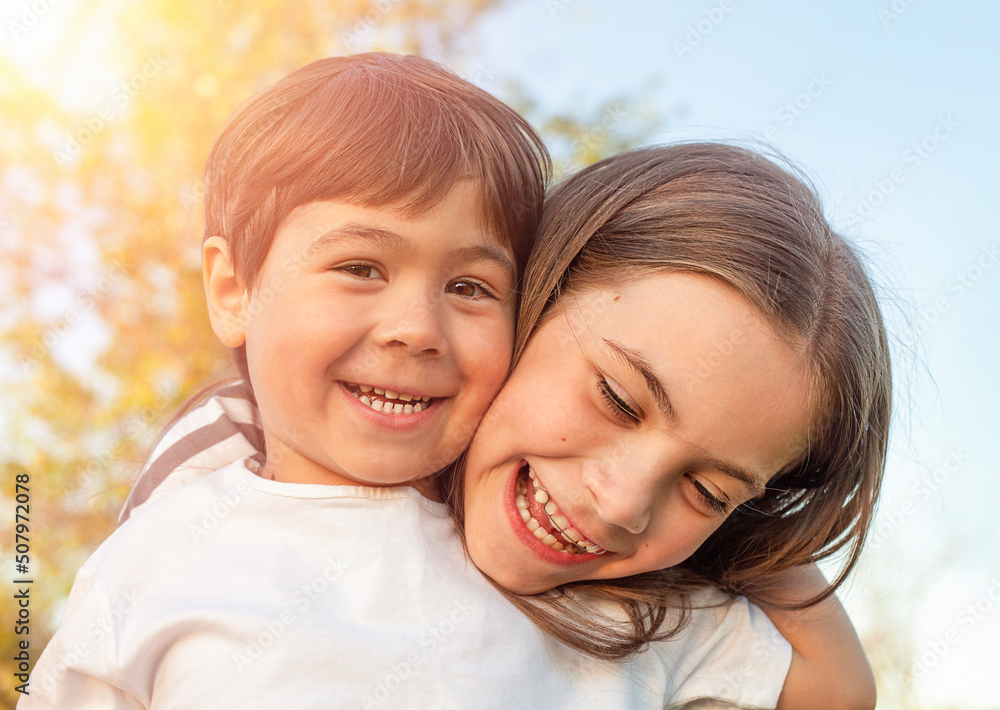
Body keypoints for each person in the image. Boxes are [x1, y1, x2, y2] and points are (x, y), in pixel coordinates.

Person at [20, 54, 880, 708]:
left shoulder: (618, 619)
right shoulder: (168, 546)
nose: (621, 503)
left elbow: (841, 690)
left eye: (707, 486)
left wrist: (744, 534)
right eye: (616, 397)